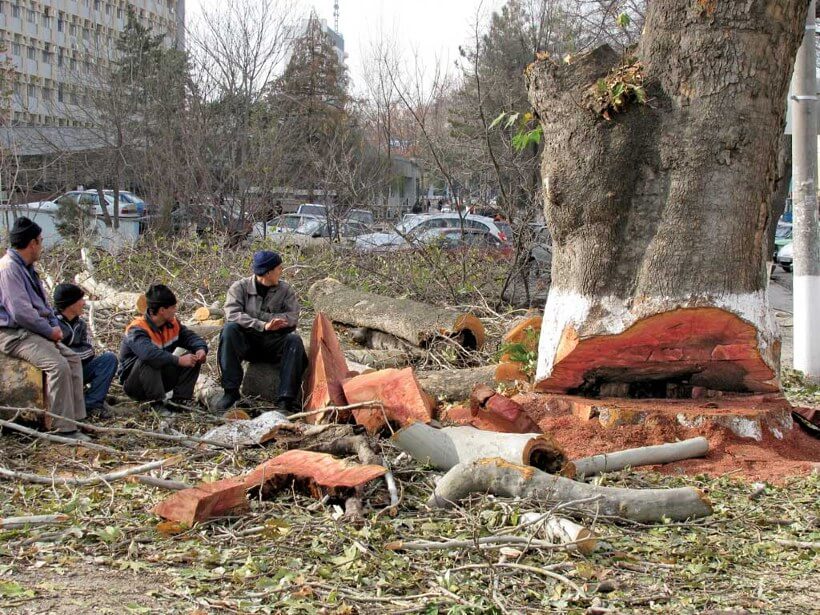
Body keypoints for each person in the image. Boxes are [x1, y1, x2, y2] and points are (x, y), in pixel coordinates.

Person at [0, 217, 90, 441]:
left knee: (73, 360)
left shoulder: (28, 269)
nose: (41, 245)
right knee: (57, 365)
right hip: (14, 334)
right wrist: (49, 331)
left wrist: (52, 325)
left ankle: (77, 419)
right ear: (32, 243)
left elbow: (43, 306)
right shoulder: (9, 269)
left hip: (32, 330)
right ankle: (63, 429)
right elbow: (21, 312)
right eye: (40, 241)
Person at [216, 250, 307, 412]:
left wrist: (271, 323)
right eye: (279, 268)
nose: (281, 271)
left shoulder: (285, 290)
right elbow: (233, 314)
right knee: (229, 330)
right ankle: (230, 392)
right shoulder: (239, 288)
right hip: (248, 342)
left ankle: (285, 400)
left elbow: (292, 317)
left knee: (294, 341)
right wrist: (262, 324)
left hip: (273, 342)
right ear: (268, 272)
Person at [118, 284, 207, 414]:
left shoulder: (172, 324)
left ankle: (180, 401)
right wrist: (178, 361)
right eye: (173, 307)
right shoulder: (136, 329)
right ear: (162, 310)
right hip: (136, 384)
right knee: (148, 359)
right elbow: (149, 355)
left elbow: (190, 337)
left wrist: (200, 349)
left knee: (192, 357)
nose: (175, 310)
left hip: (160, 378)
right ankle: (156, 403)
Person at [53, 283, 118, 419]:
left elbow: (90, 349)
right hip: (60, 373)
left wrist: (71, 353)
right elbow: (55, 351)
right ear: (71, 304)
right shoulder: (51, 323)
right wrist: (73, 353)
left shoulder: (80, 324)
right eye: (80, 300)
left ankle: (91, 404)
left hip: (80, 369)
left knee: (109, 359)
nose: (84, 303)